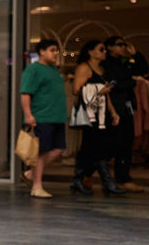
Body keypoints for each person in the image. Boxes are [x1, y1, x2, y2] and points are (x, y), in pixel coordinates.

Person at [70, 39, 124, 196]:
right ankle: (106, 182)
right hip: (90, 115)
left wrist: (113, 112)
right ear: (90, 52)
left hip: (103, 113)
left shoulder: (101, 69)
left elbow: (106, 95)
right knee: (97, 147)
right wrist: (98, 91)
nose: (104, 52)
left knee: (93, 148)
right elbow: (76, 90)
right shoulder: (84, 68)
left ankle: (79, 178)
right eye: (101, 49)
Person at [20, 40, 68, 199]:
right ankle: (36, 186)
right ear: (42, 51)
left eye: (56, 50)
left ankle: (30, 173)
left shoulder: (54, 70)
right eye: (52, 50)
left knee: (59, 148)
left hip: (56, 117)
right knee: (41, 152)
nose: (55, 53)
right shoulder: (33, 70)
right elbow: (25, 93)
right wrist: (28, 115)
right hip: (42, 116)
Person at [104, 35, 148, 192]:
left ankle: (123, 178)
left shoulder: (125, 62)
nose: (122, 47)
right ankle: (89, 174)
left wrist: (134, 53)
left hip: (127, 106)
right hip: (113, 107)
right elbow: (113, 83)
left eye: (124, 45)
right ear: (109, 47)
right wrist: (131, 82)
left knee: (126, 142)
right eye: (119, 45)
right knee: (111, 143)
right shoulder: (106, 63)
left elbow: (142, 70)